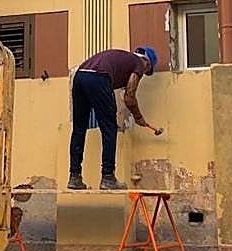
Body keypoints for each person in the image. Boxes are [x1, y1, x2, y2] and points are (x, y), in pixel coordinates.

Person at [69, 47, 163, 190]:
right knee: (109, 129)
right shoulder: (138, 63)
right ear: (147, 63)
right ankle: (108, 177)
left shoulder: (124, 59)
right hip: (99, 77)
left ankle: (74, 177)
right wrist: (138, 117)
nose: (143, 74)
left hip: (80, 76)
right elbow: (129, 97)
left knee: (79, 129)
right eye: (146, 71)